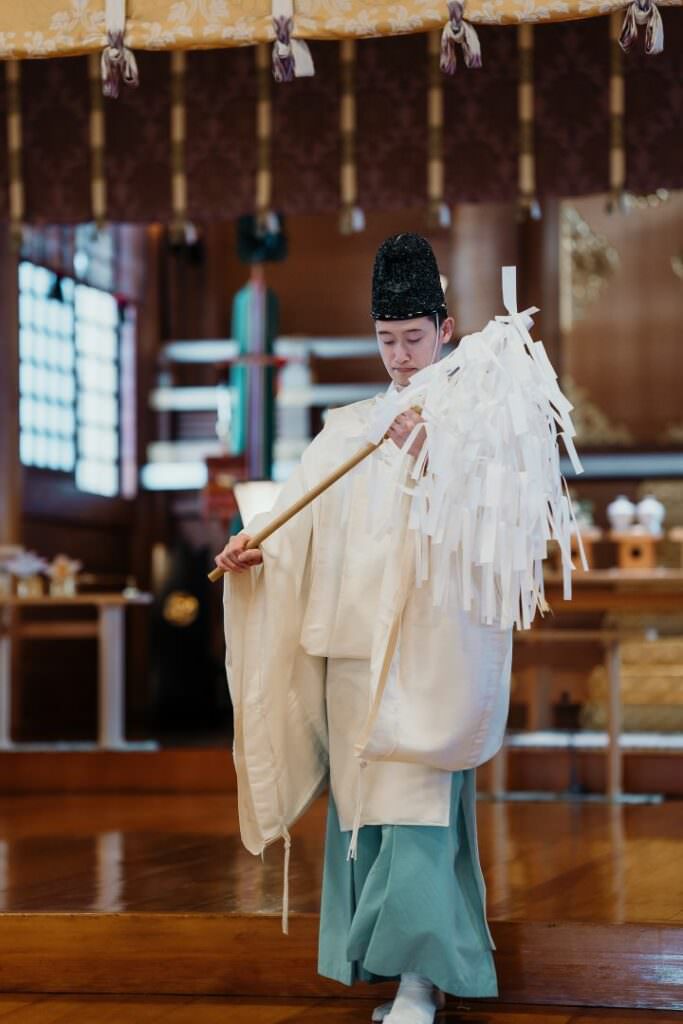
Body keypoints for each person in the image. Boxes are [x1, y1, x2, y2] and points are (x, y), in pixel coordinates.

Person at [216, 234, 512, 1024]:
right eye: (386, 341)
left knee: (414, 808)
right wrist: (256, 547)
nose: (401, 356)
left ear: (445, 329)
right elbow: (294, 518)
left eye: (414, 338)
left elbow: (504, 523)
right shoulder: (349, 427)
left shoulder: (480, 421)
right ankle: (391, 981)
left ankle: (422, 983)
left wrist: (442, 457)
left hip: (424, 654)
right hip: (351, 648)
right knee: (364, 819)